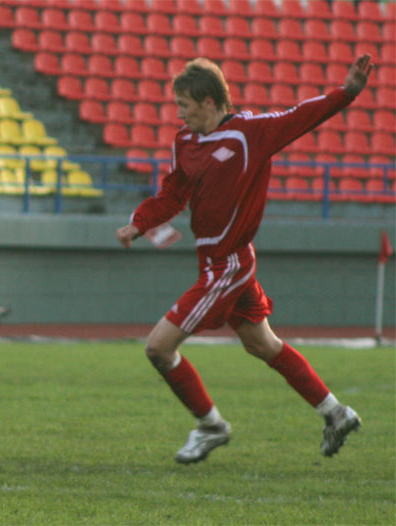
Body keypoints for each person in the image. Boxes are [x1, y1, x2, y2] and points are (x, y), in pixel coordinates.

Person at [116, 54, 373, 464]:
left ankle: (210, 426)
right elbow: (172, 194)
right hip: (216, 263)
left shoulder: (249, 134)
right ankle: (336, 413)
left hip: (230, 264)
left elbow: (301, 116)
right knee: (264, 345)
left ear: (209, 101)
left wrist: (346, 94)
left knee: (159, 348)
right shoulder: (185, 142)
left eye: (185, 105)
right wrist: (139, 222)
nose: (180, 114)